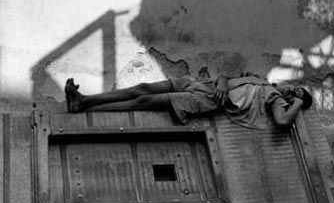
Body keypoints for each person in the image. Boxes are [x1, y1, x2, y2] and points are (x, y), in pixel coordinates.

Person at [64, 73, 312, 129]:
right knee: (143, 87)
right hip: (201, 83)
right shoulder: (261, 79)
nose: (292, 88)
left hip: (204, 101)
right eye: (295, 86)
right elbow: (225, 75)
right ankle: (84, 99)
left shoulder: (274, 97)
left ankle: (84, 105)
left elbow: (281, 122)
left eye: (296, 92)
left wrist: (298, 104)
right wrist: (223, 84)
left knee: (145, 100)